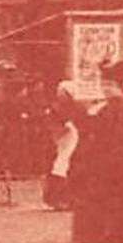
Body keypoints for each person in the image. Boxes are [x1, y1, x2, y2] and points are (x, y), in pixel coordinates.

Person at [69, 59, 123, 243]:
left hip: (118, 159)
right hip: (101, 159)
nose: (105, 88)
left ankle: (117, 232)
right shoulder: (103, 108)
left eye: (108, 85)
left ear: (118, 87)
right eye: (103, 85)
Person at [43, 81, 84, 210]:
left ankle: (66, 199)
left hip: (72, 140)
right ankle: (57, 199)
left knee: (66, 167)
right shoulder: (57, 107)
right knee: (60, 166)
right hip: (63, 140)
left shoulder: (75, 106)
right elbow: (53, 124)